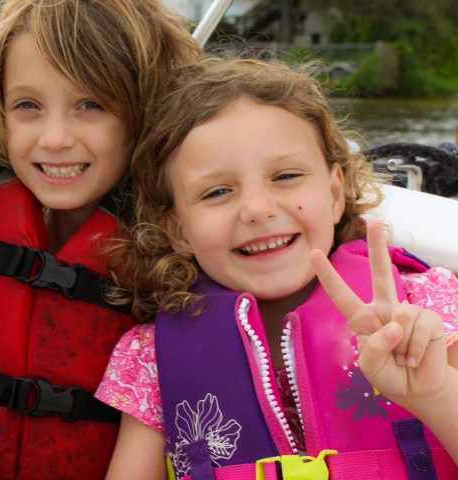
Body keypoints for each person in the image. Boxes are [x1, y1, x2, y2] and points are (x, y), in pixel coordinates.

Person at [95, 58, 458, 479]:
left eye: (285, 175)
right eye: (217, 191)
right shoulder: (149, 360)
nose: (256, 209)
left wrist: (437, 394)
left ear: (335, 192)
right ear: (177, 229)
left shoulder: (431, 307)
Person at [0, 0, 203, 478]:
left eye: (91, 104)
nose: (54, 138)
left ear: (145, 109)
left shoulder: (188, 235)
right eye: (27, 105)